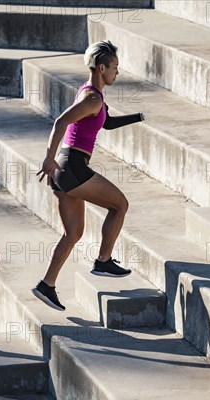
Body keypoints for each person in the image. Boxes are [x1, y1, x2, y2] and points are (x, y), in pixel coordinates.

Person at [33, 41, 145, 311]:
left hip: (65, 168)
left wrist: (140, 116)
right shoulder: (92, 98)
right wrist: (48, 158)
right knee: (120, 205)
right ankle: (104, 260)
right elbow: (61, 122)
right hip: (72, 166)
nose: (117, 72)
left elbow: (106, 122)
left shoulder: (92, 94)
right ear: (102, 67)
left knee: (73, 233)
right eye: (115, 68)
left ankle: (46, 285)